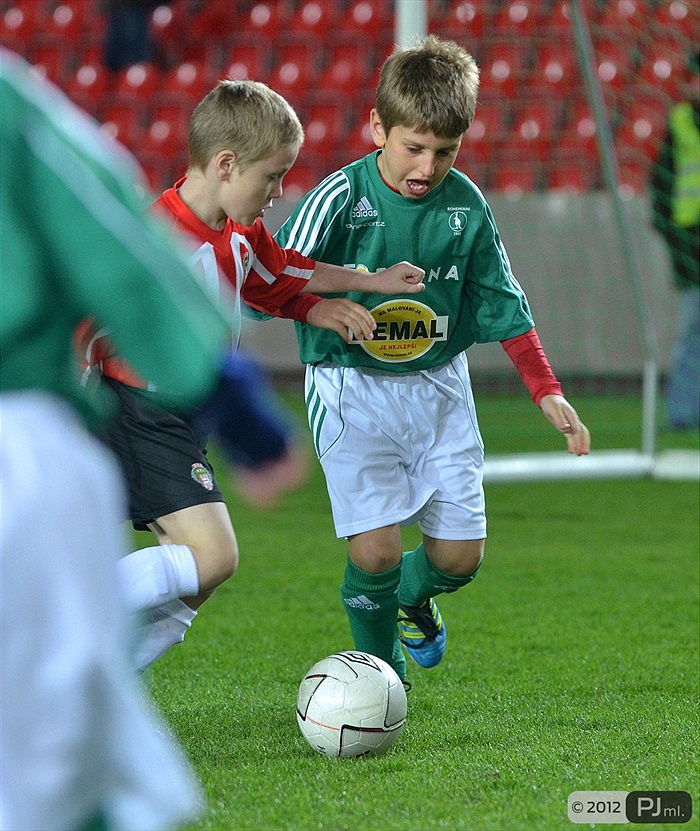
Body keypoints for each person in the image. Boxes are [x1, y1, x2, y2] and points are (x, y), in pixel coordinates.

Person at [78, 79, 426, 673]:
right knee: (211, 557)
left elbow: (283, 275)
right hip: (140, 413)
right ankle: (59, 622)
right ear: (225, 164)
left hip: (184, 418)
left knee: (195, 578)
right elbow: (83, 320)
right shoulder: (155, 238)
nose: (277, 193)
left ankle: (95, 686)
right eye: (271, 176)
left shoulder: (240, 233)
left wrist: (365, 283)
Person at [275, 35, 591, 686]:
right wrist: (324, 305)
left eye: (443, 151)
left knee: (458, 558)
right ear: (377, 127)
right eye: (412, 147)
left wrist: (547, 390)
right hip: (349, 383)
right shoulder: (339, 198)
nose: (426, 165)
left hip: (441, 387)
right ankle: (381, 674)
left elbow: (501, 299)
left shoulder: (465, 206)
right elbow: (269, 278)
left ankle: (413, 598)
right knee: (377, 548)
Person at [0, 47, 236, 831]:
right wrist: (227, 390)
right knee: (58, 758)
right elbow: (113, 243)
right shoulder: (14, 107)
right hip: (31, 432)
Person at [649, 51, 700, 431]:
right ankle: (683, 413)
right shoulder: (680, 121)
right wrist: (671, 235)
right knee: (692, 328)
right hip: (691, 241)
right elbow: (661, 181)